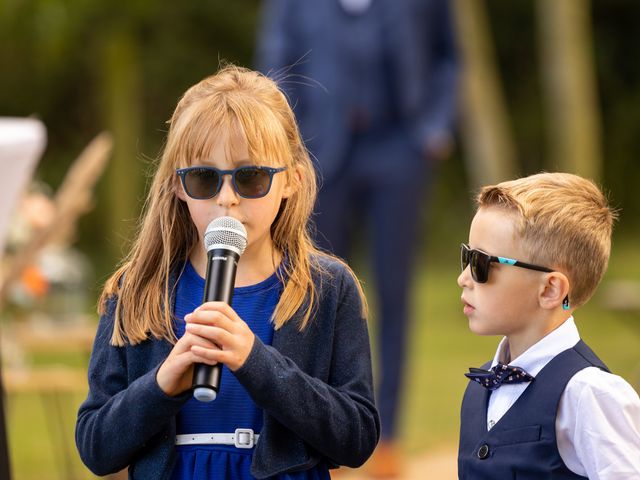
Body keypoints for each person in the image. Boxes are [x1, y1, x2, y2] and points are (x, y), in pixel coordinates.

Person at [75, 65, 379, 479]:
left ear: (291, 180)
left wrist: (256, 362)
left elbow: (357, 437)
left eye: (250, 177)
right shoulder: (137, 290)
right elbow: (95, 446)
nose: (227, 199)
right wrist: (161, 384)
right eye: (204, 178)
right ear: (178, 185)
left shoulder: (327, 289)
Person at [256, 1, 458, 474]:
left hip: (400, 150)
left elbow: (449, 56)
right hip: (320, 155)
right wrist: (289, 146)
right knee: (312, 293)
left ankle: (389, 437)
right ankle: (317, 431)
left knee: (394, 294)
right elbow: (275, 62)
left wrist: (434, 128)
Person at [457, 172, 640, 479]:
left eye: (481, 264)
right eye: (465, 257)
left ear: (550, 290)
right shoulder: (481, 385)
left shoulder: (589, 394)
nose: (463, 278)